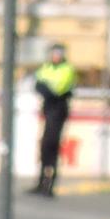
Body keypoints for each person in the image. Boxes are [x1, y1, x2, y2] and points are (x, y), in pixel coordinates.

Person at [32, 44, 77, 197]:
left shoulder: (67, 69)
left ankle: (50, 183)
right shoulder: (47, 67)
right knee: (44, 145)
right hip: (48, 110)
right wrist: (45, 88)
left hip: (58, 110)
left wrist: (46, 87)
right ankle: (41, 181)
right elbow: (38, 83)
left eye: (59, 53)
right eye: (53, 53)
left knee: (51, 145)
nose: (55, 56)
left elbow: (57, 89)